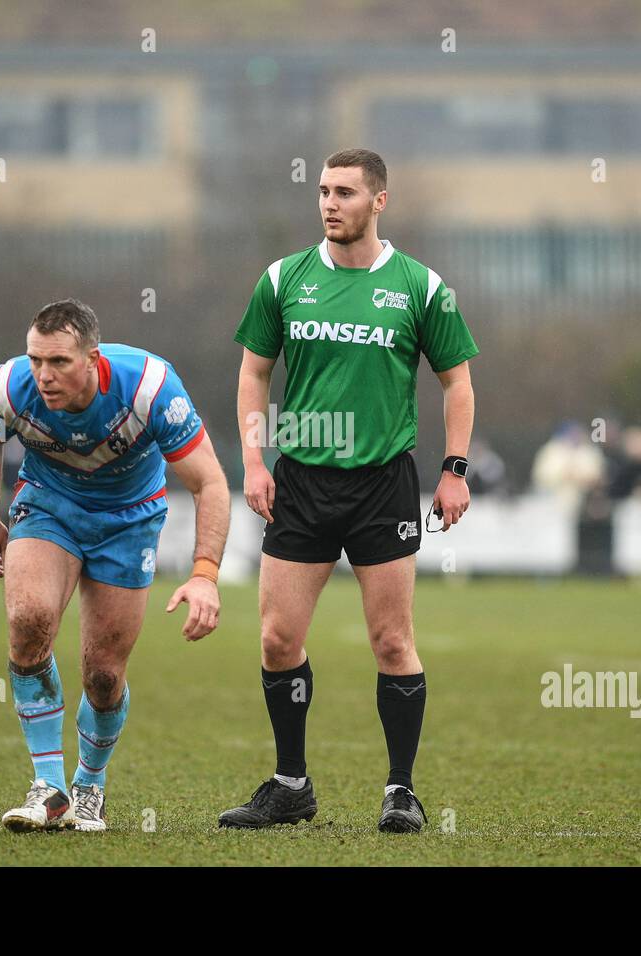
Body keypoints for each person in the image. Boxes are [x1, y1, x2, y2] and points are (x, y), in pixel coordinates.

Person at [223, 148, 478, 833]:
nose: (329, 203)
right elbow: (254, 375)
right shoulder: (283, 279)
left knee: (393, 642)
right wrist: (253, 460)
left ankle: (401, 790)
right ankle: (290, 784)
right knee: (278, 638)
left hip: (383, 484)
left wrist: (455, 470)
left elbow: (457, 382)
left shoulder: (421, 287)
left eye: (344, 192)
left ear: (379, 201)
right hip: (301, 481)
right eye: (323, 192)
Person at [0, 299, 230, 832]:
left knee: (104, 675)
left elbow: (210, 483)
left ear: (93, 357)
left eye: (59, 362)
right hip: (49, 507)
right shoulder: (7, 389)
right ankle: (49, 787)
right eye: (36, 359)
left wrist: (204, 574)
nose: (43, 375)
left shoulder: (149, 388)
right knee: (28, 622)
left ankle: (90, 785)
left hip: (129, 522)